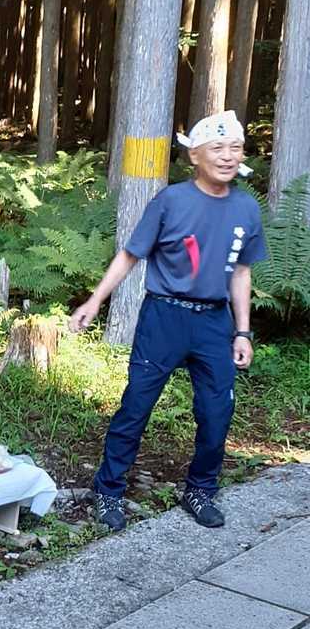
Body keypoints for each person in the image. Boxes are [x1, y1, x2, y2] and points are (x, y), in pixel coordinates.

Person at [70, 111, 267, 533]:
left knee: (217, 412)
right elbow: (130, 254)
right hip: (164, 317)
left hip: (214, 323)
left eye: (235, 148)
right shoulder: (171, 201)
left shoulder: (246, 208)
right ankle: (108, 489)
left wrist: (242, 331)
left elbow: (241, 272)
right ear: (195, 155)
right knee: (136, 406)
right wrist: (94, 301)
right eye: (218, 148)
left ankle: (201, 489)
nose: (228, 156)